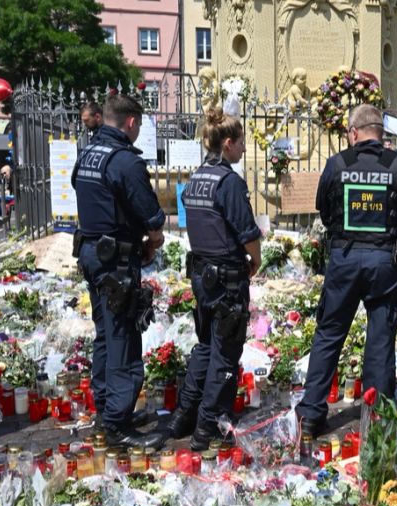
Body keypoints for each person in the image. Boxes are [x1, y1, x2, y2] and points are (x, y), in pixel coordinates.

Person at [297, 104, 397, 437]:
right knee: (380, 340)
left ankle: (310, 415)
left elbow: (323, 209)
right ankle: (378, 419)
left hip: (344, 259)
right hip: (385, 262)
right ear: (381, 132)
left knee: (329, 335)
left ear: (353, 133)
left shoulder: (337, 164)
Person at [72, 94, 165, 448]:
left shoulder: (88, 155)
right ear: (129, 123)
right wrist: (153, 240)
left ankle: (108, 408)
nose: (139, 131)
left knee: (104, 334)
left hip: (91, 254)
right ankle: (117, 425)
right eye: (138, 124)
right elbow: (152, 216)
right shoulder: (125, 161)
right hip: (117, 262)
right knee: (124, 337)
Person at [167, 108, 263, 450]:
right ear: (227, 142)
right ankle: (207, 427)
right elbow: (246, 232)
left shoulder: (195, 180)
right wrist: (257, 258)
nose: (243, 150)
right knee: (225, 352)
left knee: (205, 346)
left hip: (202, 275)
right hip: (228, 278)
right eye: (240, 143)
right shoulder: (229, 182)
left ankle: (182, 416)